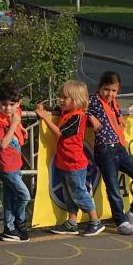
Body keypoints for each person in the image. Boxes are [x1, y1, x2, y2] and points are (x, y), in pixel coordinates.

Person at [36, 81, 105, 237]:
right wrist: (44, 110)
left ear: (76, 100)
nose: (60, 100)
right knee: (69, 194)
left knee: (79, 193)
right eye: (60, 96)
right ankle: (72, 222)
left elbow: (60, 133)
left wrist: (46, 118)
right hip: (65, 162)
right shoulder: (67, 113)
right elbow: (56, 111)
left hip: (74, 163)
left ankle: (95, 220)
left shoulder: (77, 117)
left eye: (65, 98)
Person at [88, 71, 133, 235]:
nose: (110, 94)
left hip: (119, 147)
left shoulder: (113, 103)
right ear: (100, 87)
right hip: (104, 149)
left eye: (114, 91)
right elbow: (79, 107)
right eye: (107, 90)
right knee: (113, 187)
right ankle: (120, 220)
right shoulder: (93, 100)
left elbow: (115, 115)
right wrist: (89, 116)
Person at [0, 81, 31, 242]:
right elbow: (2, 144)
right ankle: (20, 222)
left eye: (11, 104)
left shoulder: (16, 112)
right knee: (24, 196)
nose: (8, 108)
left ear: (18, 103)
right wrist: (15, 125)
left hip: (16, 164)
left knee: (10, 198)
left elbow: (17, 121)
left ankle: (9, 228)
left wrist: (21, 129)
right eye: (3, 104)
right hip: (6, 167)